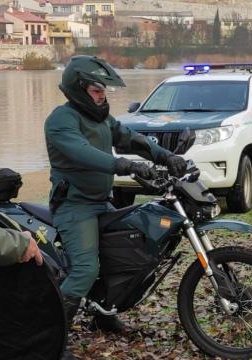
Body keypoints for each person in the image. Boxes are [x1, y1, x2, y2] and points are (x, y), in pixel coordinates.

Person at [44, 55, 187, 342]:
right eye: (97, 91)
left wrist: (165, 156)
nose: (102, 96)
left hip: (101, 201)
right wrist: (123, 165)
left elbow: (131, 137)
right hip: (75, 206)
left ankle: (103, 317)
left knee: (121, 257)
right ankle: (49, 337)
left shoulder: (101, 118)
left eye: (104, 91)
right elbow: (82, 151)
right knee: (86, 269)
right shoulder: (61, 119)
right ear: (78, 89)